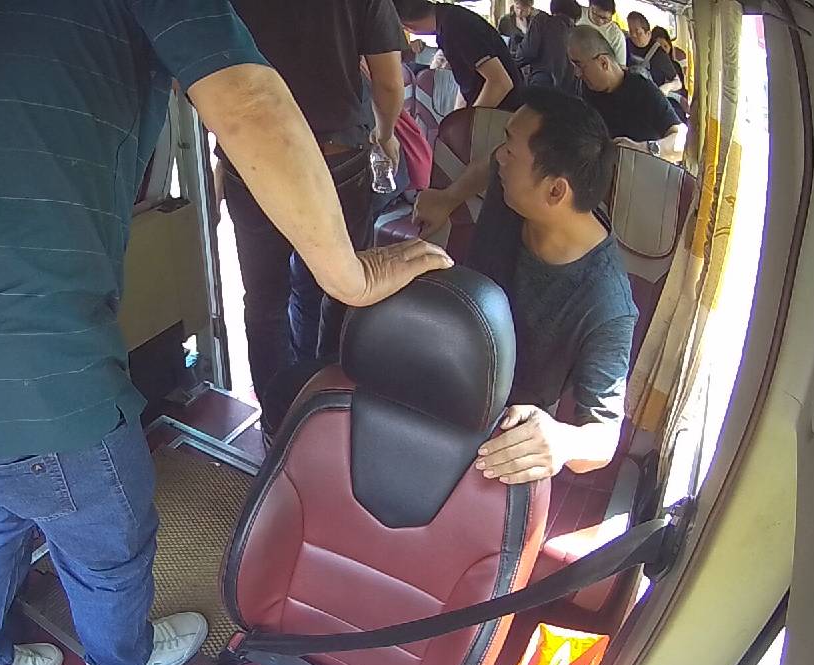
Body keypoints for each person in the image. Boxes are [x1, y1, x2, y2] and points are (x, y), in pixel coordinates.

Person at [0, 0, 452, 665]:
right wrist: (349, 274)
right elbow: (248, 98)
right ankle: (121, 659)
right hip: (33, 377)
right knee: (110, 528)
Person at [411, 88, 637, 484]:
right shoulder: (516, 188)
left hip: (495, 428)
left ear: (555, 190)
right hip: (442, 355)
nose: (501, 155)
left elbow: (603, 438)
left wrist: (562, 441)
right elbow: (490, 163)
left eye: (511, 151)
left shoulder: (606, 303)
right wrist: (449, 197)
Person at [226, 0, 409, 392]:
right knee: (343, 287)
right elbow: (390, 82)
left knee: (264, 301)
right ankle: (326, 401)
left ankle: (278, 411)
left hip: (253, 159)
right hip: (336, 156)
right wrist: (385, 133)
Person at [568, 25, 687, 162]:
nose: (577, 73)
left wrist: (643, 149)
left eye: (580, 66)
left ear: (603, 63)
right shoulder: (582, 90)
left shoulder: (643, 90)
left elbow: (681, 141)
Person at [394, 0, 525, 111]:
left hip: (503, 113)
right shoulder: (448, 19)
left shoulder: (456, 27)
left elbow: (500, 83)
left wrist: (469, 121)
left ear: (407, 27)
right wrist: (459, 113)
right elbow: (468, 80)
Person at [513, 0, 578, 89]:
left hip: (542, 85)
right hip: (568, 88)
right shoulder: (576, 32)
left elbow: (526, 53)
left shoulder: (542, 20)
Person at [625, 12, 683, 95]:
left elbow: (678, 83)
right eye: (631, 31)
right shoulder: (625, 44)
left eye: (638, 32)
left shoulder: (659, 53)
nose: (633, 35)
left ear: (648, 34)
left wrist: (666, 87)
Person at [579, 0, 629, 67]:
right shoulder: (577, 14)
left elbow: (621, 66)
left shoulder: (616, 35)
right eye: (597, 15)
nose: (600, 21)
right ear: (590, 7)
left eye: (606, 18)